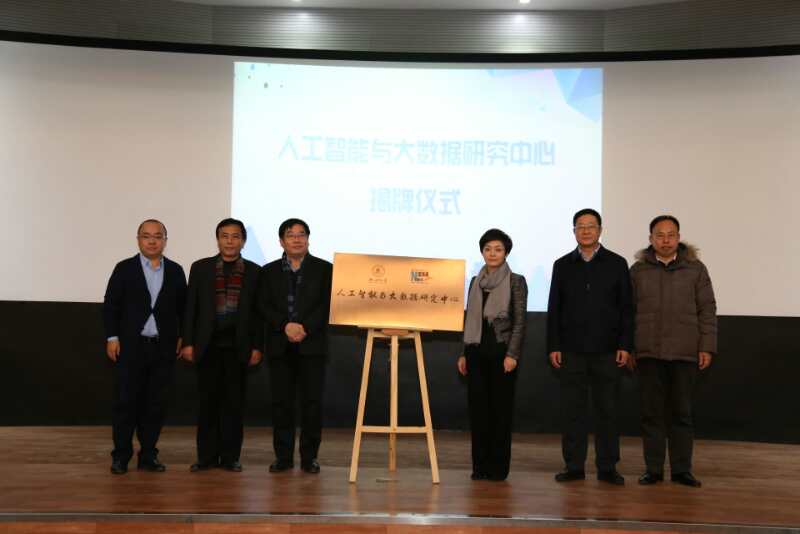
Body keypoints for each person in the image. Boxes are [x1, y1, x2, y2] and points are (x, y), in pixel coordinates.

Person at [546, 208, 633, 485]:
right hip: (571, 350)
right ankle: (573, 466)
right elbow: (554, 308)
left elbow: (626, 308)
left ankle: (607, 467)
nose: (585, 231)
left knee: (608, 411)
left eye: (591, 226)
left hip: (608, 350)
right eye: (580, 226)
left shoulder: (617, 263)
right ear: (574, 231)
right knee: (573, 412)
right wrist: (554, 345)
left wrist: (625, 344)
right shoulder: (562, 265)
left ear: (600, 230)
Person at [629, 215, 717, 488]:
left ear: (678, 238)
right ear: (651, 239)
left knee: (681, 414)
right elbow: (627, 312)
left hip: (684, 353)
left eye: (671, 235)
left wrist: (707, 346)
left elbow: (707, 309)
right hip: (648, 353)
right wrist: (629, 348)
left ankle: (681, 470)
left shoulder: (696, 269)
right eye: (660, 235)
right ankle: (653, 470)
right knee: (651, 415)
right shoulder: (638, 270)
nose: (665, 240)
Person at [103, 219, 187, 475]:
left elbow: (183, 308)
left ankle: (148, 455)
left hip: (162, 348)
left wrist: (182, 336)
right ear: (138, 239)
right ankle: (121, 456)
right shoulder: (124, 268)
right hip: (130, 347)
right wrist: (112, 337)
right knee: (126, 403)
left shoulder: (175, 271)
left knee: (155, 405)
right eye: (146, 236)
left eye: (158, 236)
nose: (152, 241)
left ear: (165, 240)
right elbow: (111, 305)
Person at [180, 218, 263, 472]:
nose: (230, 241)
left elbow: (258, 314)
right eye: (225, 236)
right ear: (217, 239)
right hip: (207, 347)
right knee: (207, 405)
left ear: (243, 241)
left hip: (239, 347)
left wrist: (257, 346)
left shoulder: (255, 271)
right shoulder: (200, 268)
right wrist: (188, 342)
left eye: (235, 236)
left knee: (233, 406)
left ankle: (230, 457)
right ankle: (205, 457)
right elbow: (190, 308)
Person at [258, 218, 332, 474]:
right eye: (291, 235)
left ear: (308, 239)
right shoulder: (267, 272)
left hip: (312, 345)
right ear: (282, 241)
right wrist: (285, 325)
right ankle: (283, 457)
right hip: (280, 345)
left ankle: (310, 457)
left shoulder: (325, 269)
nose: (297, 239)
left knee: (312, 404)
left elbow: (327, 305)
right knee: (282, 404)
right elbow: (263, 305)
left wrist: (305, 327)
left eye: (302, 234)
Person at [457, 229, 527, 481]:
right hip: (476, 353)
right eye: (488, 249)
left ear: (506, 252)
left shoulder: (516, 281)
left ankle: (498, 469)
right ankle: (480, 467)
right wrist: (464, 353)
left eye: (498, 249)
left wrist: (512, 354)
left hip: (501, 353)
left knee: (500, 412)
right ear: (482, 252)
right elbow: (470, 319)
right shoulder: (475, 281)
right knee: (478, 412)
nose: (492, 253)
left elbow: (520, 322)